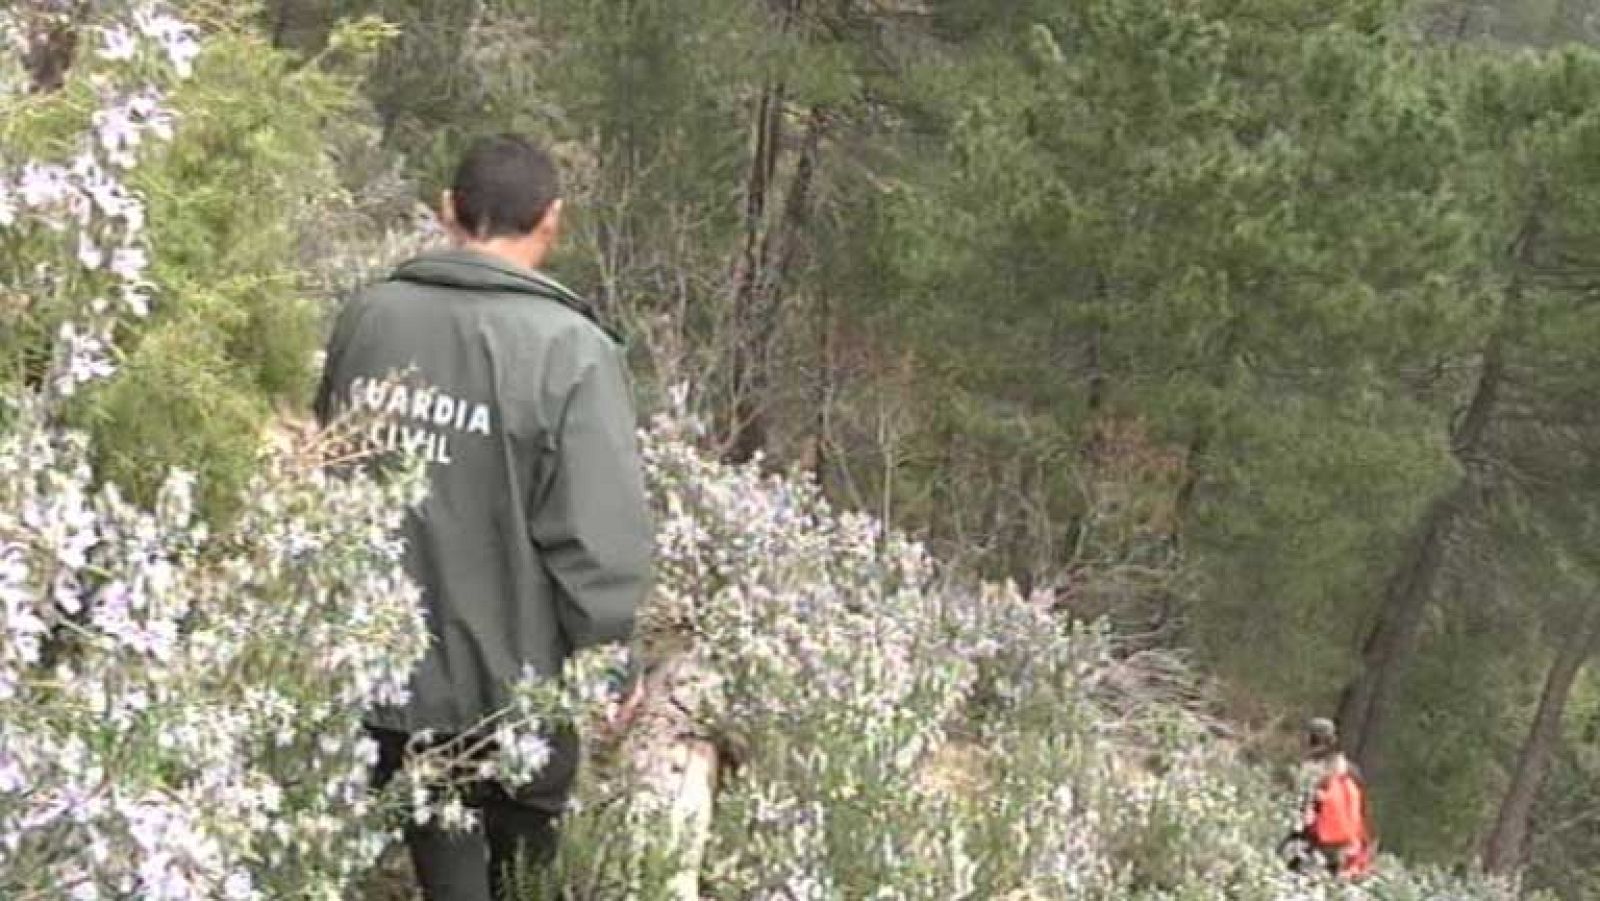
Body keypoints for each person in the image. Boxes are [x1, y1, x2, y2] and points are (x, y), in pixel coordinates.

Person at [314, 134, 654, 900]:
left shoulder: (368, 316)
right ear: (551, 220)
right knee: (516, 870)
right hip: (513, 700)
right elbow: (597, 542)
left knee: (437, 841)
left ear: (447, 213)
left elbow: (330, 468)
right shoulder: (572, 351)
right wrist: (613, 660)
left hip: (379, 683)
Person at [1286, 717, 1374, 880]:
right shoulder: (1350, 769)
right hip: (1345, 843)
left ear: (1313, 739)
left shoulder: (1312, 769)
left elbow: (1302, 808)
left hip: (1316, 840)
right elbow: (1361, 811)